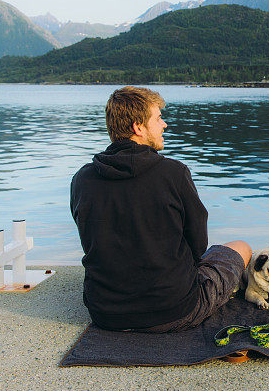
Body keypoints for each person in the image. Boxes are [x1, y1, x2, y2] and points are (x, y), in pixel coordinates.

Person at [70, 86, 251, 332]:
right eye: (158, 118)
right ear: (138, 127)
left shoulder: (82, 179)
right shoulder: (174, 174)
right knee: (241, 248)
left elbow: (90, 240)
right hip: (174, 311)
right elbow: (198, 245)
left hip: (105, 313)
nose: (164, 125)